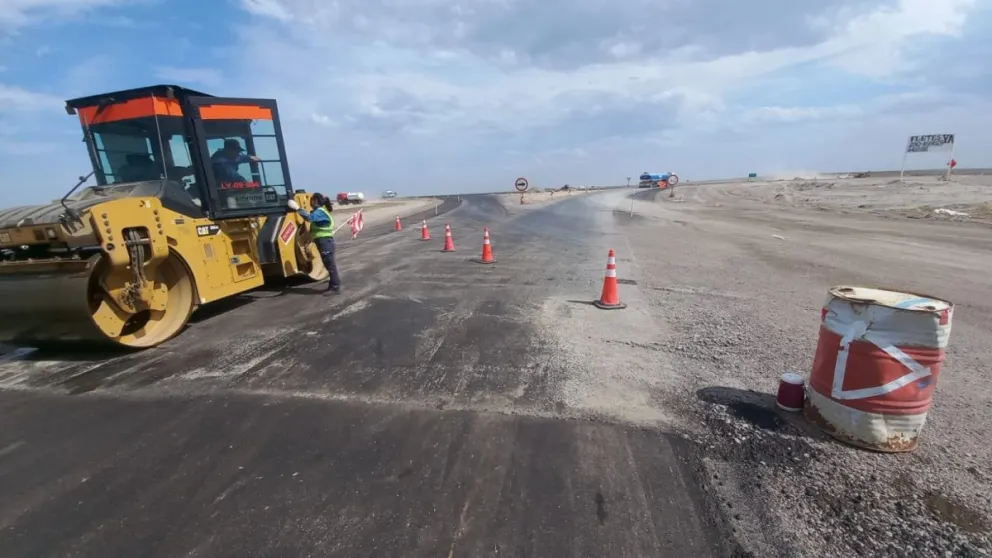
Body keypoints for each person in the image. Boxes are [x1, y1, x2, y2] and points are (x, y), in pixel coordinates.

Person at [288, 193, 341, 295]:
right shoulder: (321, 211)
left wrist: (297, 208)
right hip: (324, 242)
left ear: (315, 201)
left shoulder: (319, 212)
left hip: (325, 242)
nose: (310, 203)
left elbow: (309, 218)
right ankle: (333, 285)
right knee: (328, 265)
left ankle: (335, 287)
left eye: (311, 200)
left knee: (330, 265)